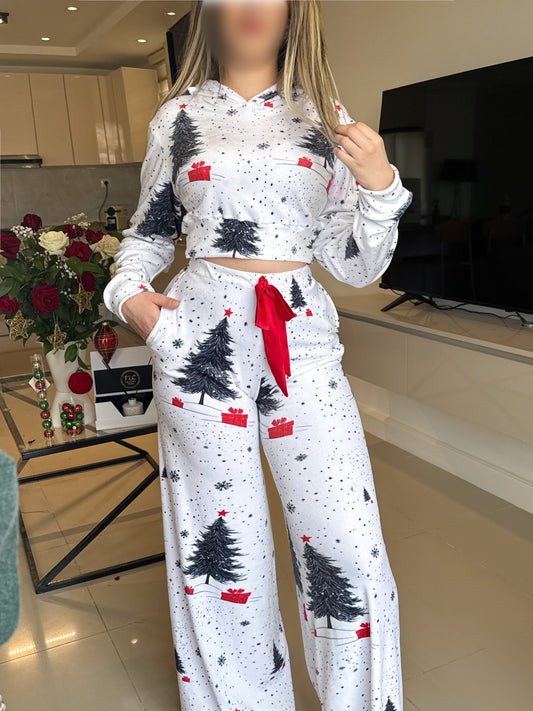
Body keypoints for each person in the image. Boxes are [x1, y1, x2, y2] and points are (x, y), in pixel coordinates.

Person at [103, 2, 413, 710]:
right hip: (198, 340)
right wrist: (132, 299)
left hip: (300, 337)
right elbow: (148, 233)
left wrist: (378, 187)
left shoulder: (324, 118)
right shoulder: (177, 117)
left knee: (348, 543)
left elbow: (354, 264)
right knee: (221, 550)